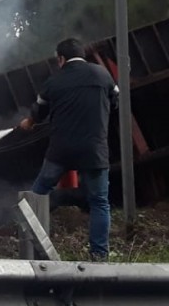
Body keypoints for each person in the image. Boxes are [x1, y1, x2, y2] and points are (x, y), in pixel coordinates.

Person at [19, 38, 119, 262]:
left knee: (37, 195)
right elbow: (115, 100)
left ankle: (30, 248)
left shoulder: (53, 82)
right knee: (99, 202)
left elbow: (38, 112)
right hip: (94, 150)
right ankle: (99, 255)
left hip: (61, 151)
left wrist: (28, 122)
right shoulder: (102, 75)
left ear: (61, 59)